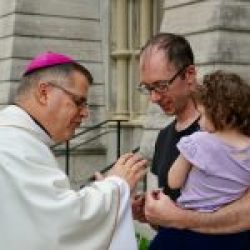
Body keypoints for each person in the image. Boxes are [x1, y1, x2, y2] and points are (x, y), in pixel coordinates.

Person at [0, 51, 147, 250]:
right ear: (44, 93)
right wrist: (116, 186)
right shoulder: (14, 146)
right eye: (79, 102)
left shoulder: (19, 139)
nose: (85, 113)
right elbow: (60, 225)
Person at [151, 70, 250, 250]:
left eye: (202, 115)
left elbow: (173, 181)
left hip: (187, 231)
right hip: (234, 236)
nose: (200, 122)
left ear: (218, 113)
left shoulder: (198, 141)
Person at [133, 32, 200, 246]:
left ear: (189, 74)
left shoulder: (225, 131)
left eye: (161, 86)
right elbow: (166, 220)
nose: (153, 98)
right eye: (148, 88)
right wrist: (149, 212)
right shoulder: (163, 136)